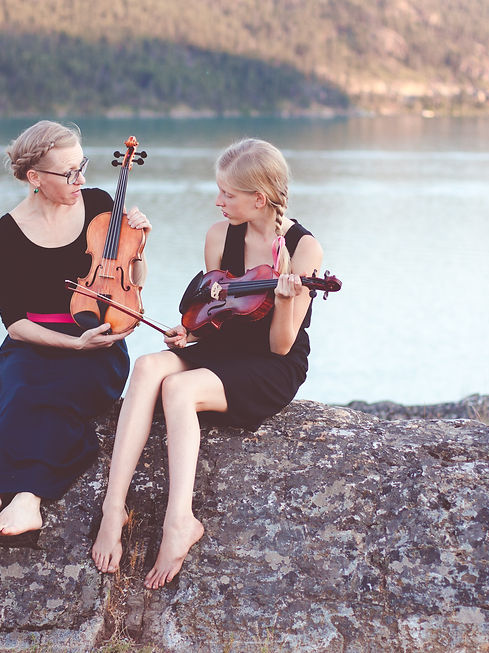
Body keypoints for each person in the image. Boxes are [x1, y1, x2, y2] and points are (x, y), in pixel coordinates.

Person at [91, 138, 323, 588]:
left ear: (259, 198)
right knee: (147, 367)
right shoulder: (219, 235)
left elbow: (280, 346)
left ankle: (180, 520)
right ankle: (113, 507)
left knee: (178, 388)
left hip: (270, 365)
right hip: (223, 348)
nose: (218, 201)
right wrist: (190, 332)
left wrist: (285, 300)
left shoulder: (303, 249)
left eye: (227, 194)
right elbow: (214, 313)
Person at [0, 120, 150, 537]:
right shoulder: (3, 234)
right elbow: (16, 323)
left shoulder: (98, 205)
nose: (81, 179)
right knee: (20, 389)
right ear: (35, 177)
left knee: (45, 392)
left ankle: (27, 498)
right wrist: (71, 347)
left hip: (97, 342)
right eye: (69, 172)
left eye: (82, 166)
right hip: (34, 342)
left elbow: (130, 283)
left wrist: (139, 243)